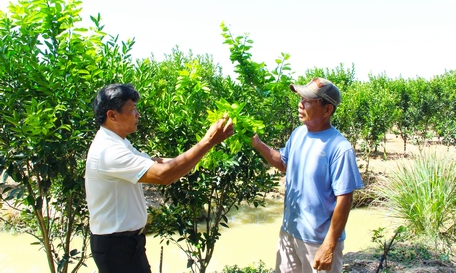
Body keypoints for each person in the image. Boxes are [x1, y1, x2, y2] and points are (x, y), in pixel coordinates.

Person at [85, 83, 234, 273]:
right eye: (132, 110)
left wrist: (203, 157)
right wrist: (208, 141)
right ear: (112, 115)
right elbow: (163, 175)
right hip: (117, 247)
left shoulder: (119, 142)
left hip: (127, 243)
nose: (138, 114)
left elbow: (158, 163)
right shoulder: (109, 151)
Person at [251, 78, 364, 273]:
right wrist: (258, 144)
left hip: (318, 242)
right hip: (290, 232)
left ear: (327, 110)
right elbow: (283, 163)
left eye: (308, 101)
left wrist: (329, 245)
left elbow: (344, 200)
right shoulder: (298, 134)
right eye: (301, 98)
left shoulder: (340, 148)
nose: (300, 104)